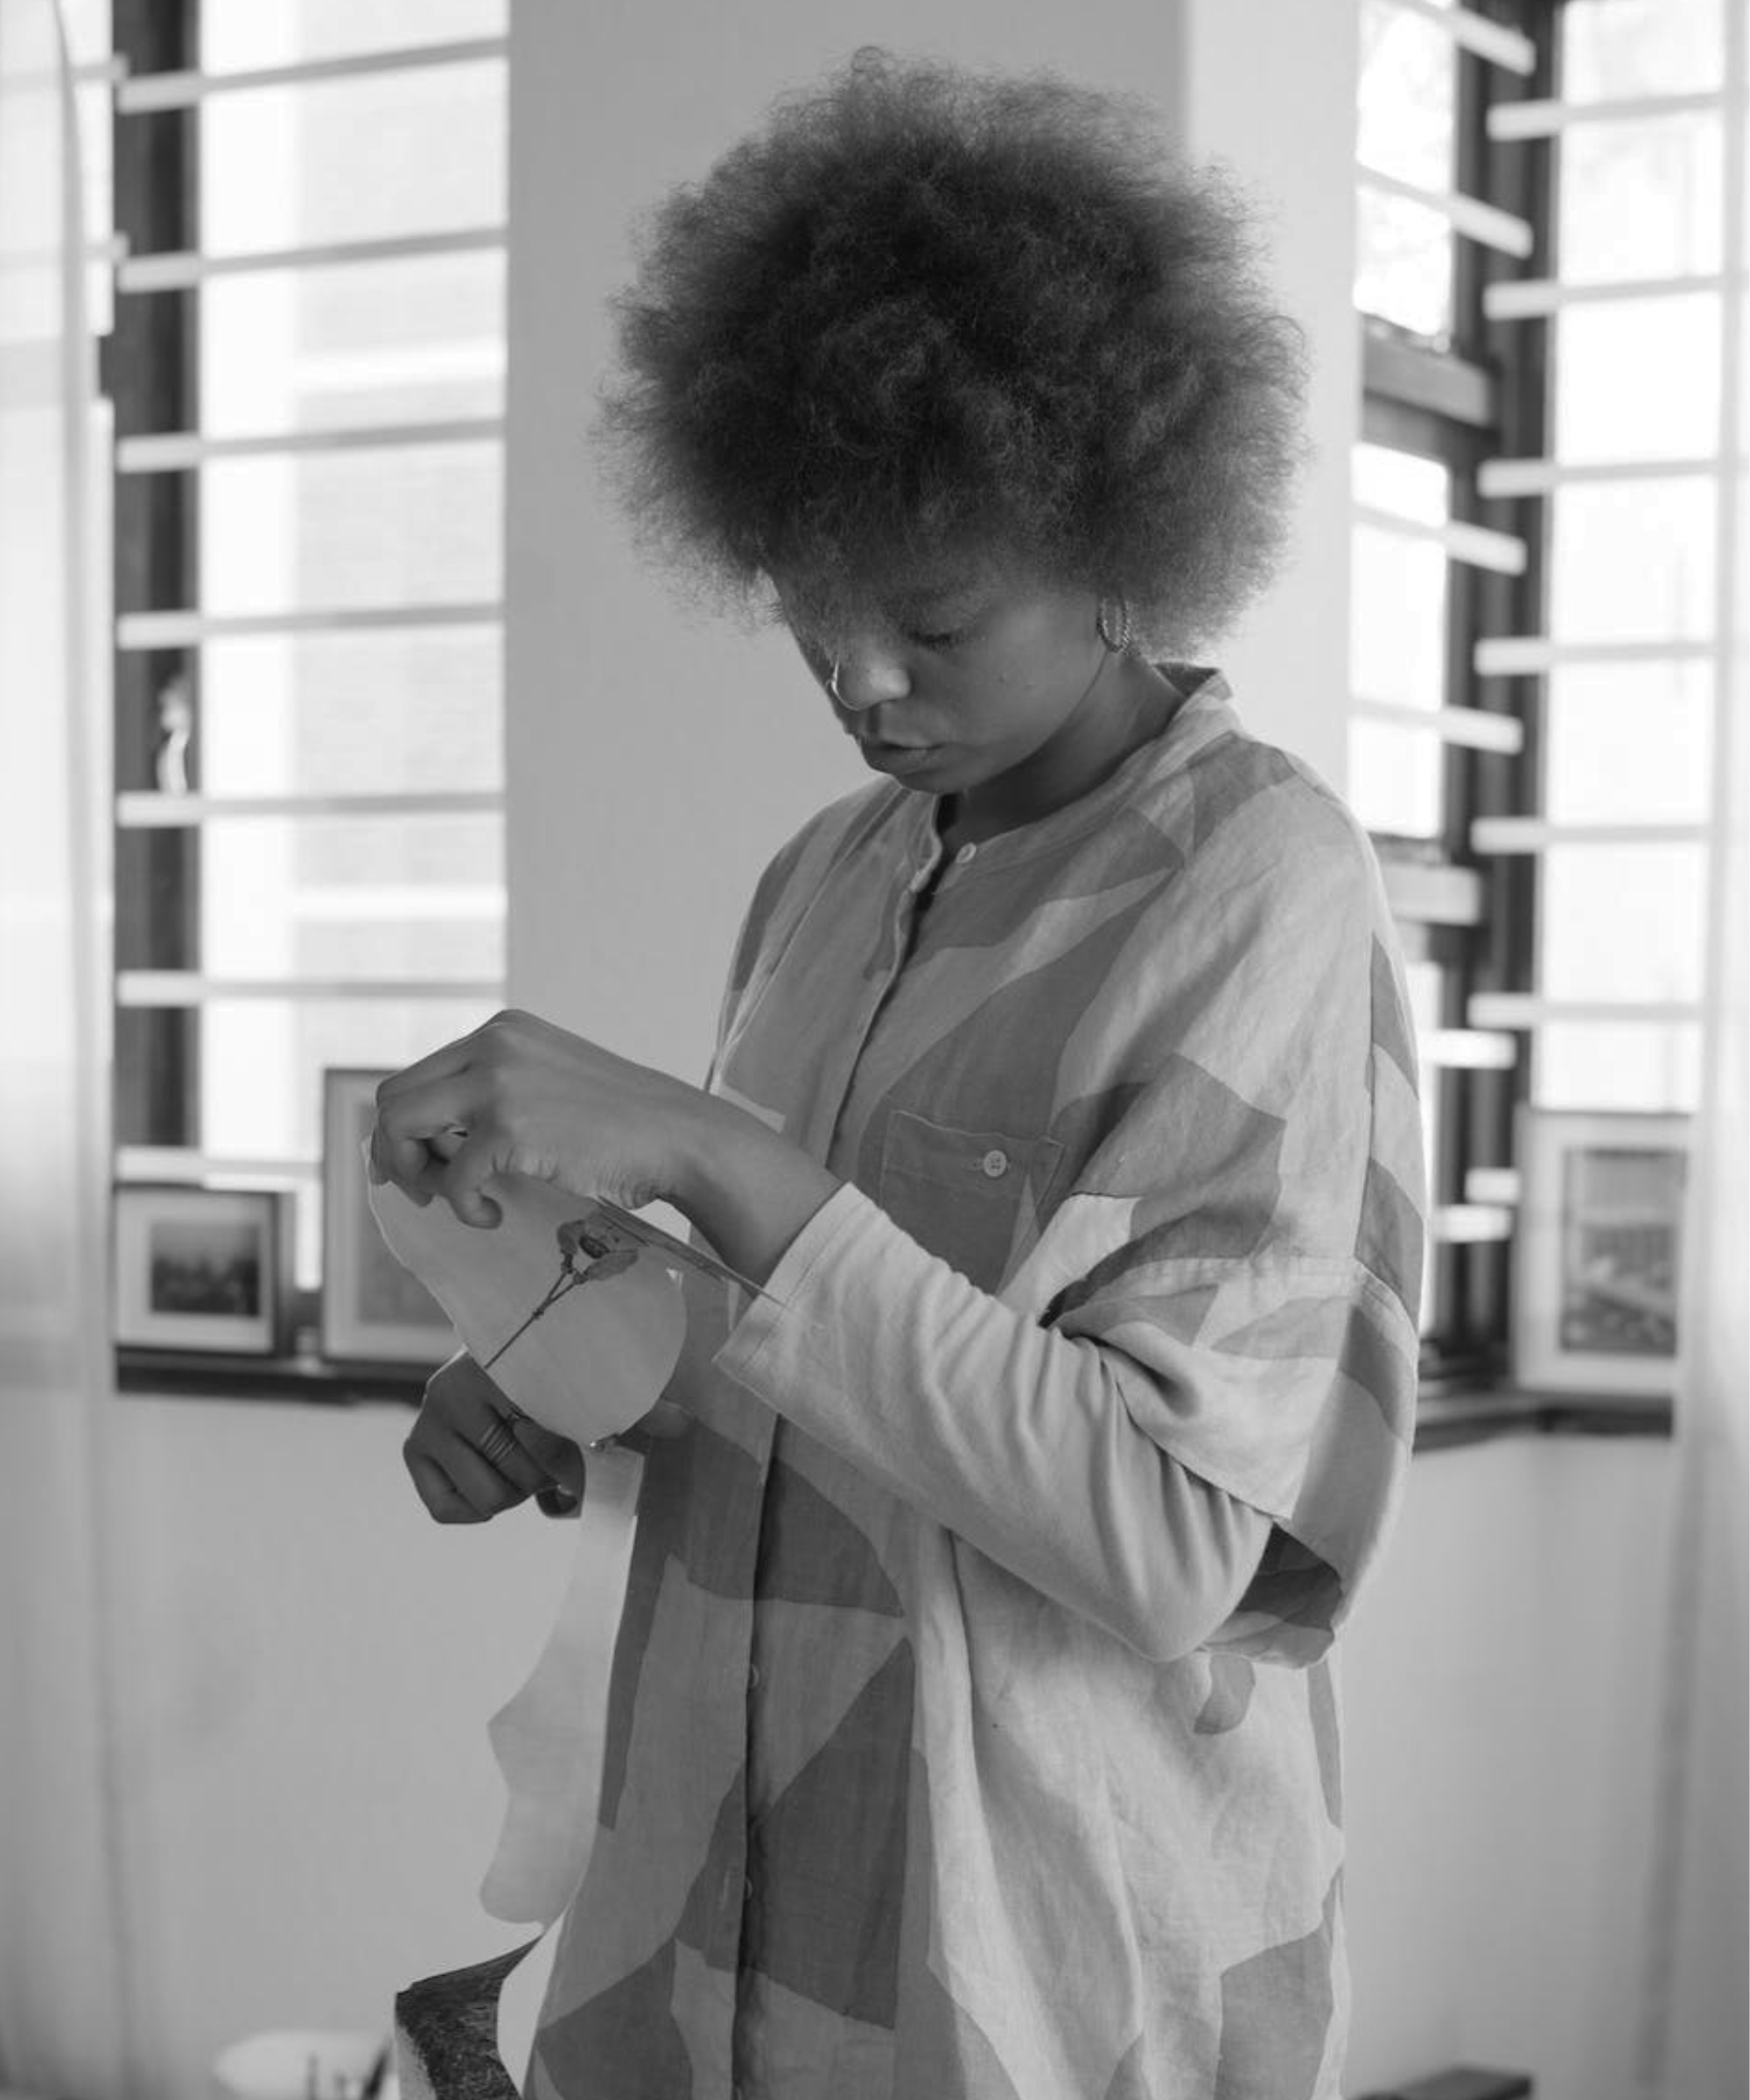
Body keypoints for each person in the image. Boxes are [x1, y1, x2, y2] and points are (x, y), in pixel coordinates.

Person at [374, 48, 1424, 2100]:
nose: (857, 683)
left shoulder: (1257, 886)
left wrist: (699, 1144)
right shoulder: (827, 879)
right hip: (706, 1926)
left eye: (930, 623)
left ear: (1116, 538)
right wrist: (545, 1385)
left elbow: (1167, 1544)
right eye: (807, 611)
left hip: (1032, 1967)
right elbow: (804, 1365)